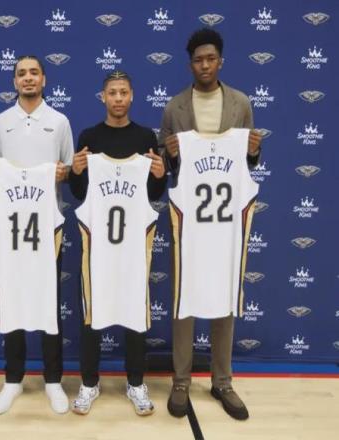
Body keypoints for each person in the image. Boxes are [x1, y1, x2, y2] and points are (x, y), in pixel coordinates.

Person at [159, 28, 262, 421]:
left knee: (224, 295)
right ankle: (181, 380)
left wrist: (254, 152)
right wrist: (170, 154)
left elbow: (247, 163)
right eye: (198, 60)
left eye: (210, 58)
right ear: (190, 65)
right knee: (184, 297)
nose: (204, 65)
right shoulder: (174, 107)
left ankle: (223, 380)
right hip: (189, 219)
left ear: (220, 61)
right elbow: (164, 165)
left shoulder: (241, 103)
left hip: (226, 219)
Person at [69, 71, 167, 416]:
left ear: (132, 96)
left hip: (132, 248)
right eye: (112, 92)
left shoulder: (145, 138)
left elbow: (153, 194)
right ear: (103, 97)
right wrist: (76, 171)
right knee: (91, 316)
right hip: (97, 249)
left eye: (124, 92)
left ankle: (136, 383)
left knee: (135, 315)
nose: (118, 98)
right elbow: (79, 194)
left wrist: (160, 176)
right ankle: (89, 382)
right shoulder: (89, 137)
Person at [0, 55, 74, 415]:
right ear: (14, 82)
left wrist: (62, 174)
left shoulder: (59, 121)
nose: (28, 78)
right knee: (13, 298)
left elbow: (69, 169)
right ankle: (13, 379)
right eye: (21, 73)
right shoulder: (1, 122)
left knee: (49, 300)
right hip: (11, 228)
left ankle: (53, 380)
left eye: (34, 72)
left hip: (47, 228)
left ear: (44, 79)